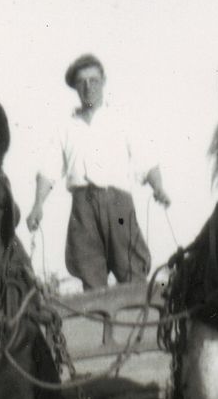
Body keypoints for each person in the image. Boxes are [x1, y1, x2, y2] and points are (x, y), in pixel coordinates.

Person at [26, 53, 171, 291]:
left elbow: (147, 160)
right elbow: (48, 170)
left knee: (132, 269)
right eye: (81, 82)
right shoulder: (66, 127)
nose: (88, 86)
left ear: (103, 81)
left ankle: (139, 324)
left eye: (93, 80)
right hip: (83, 208)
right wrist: (37, 205)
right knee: (89, 273)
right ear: (75, 87)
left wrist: (159, 188)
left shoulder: (122, 119)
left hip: (118, 204)